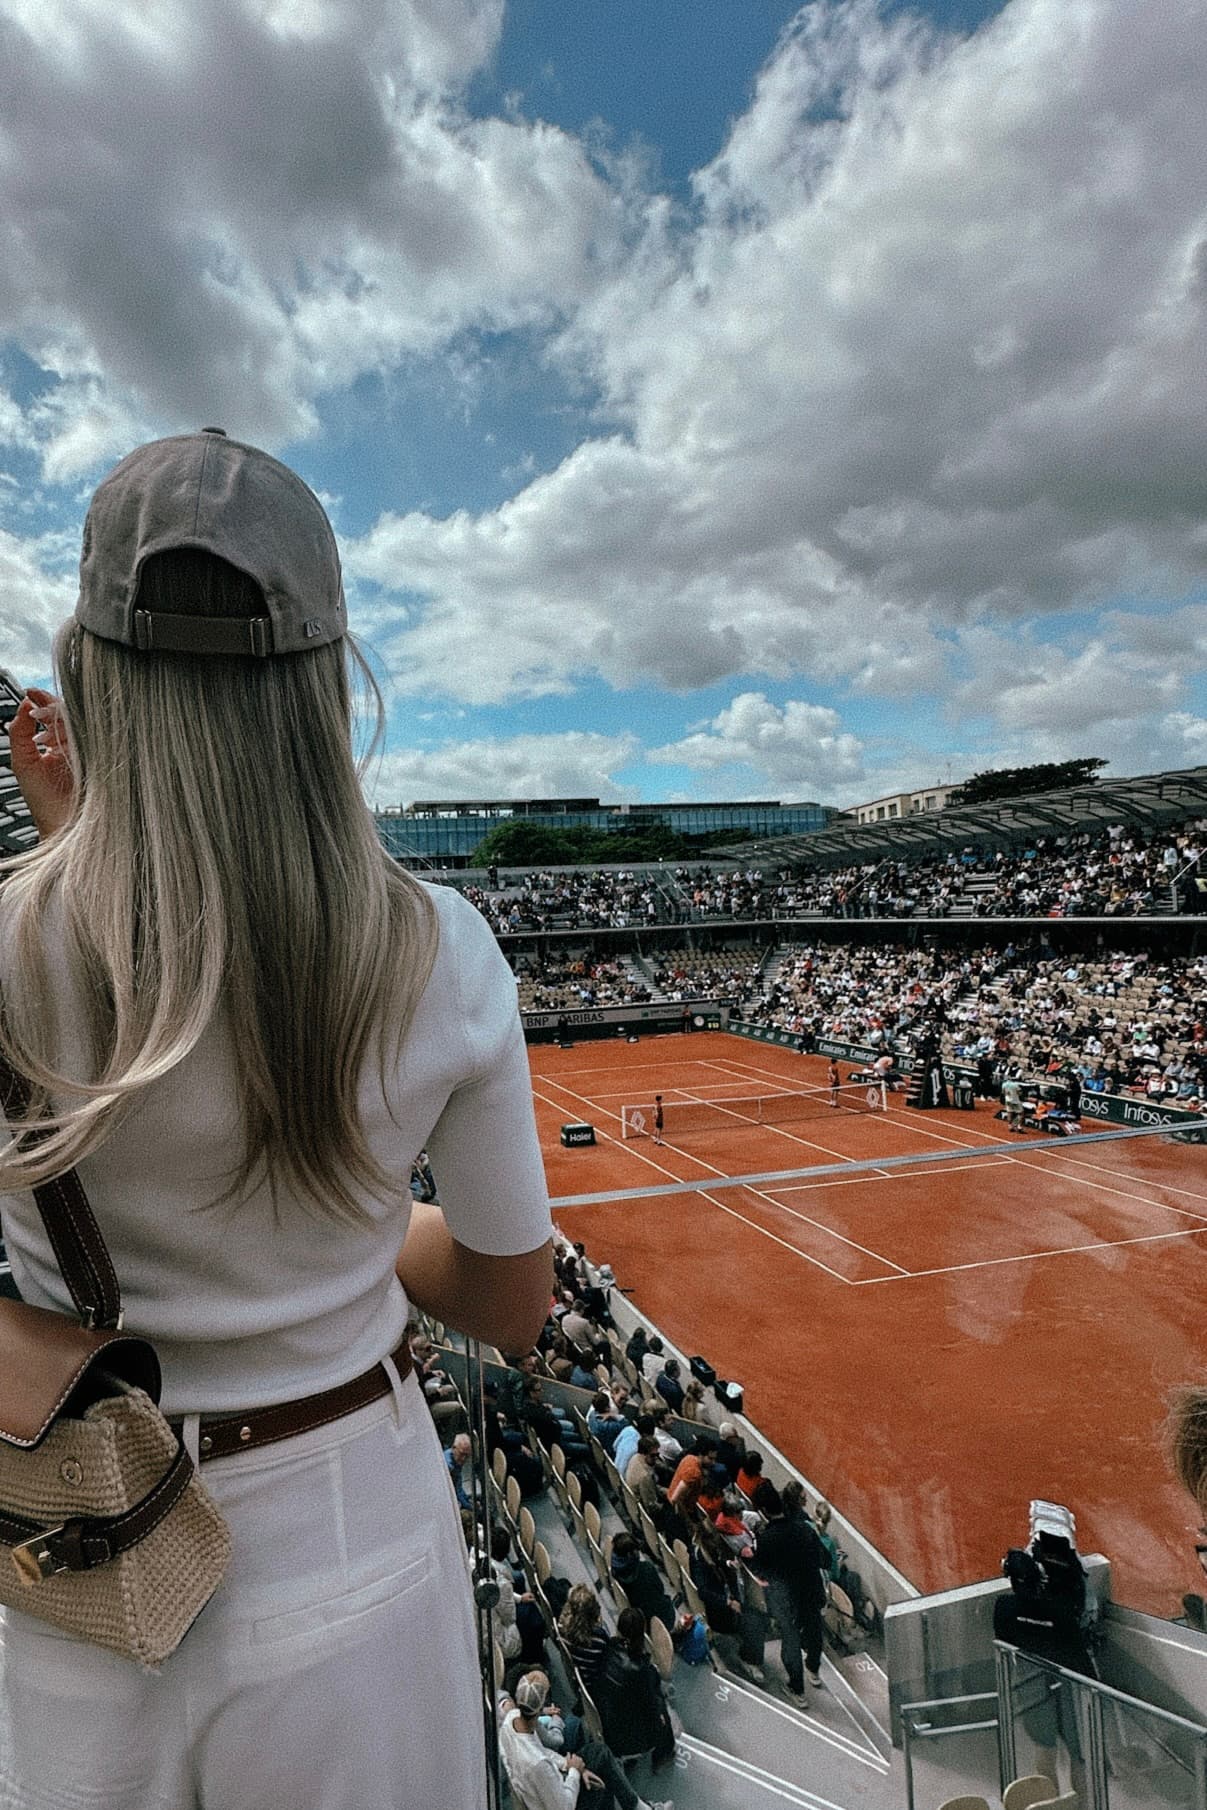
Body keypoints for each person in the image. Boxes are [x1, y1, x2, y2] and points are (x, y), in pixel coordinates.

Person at [0, 430, 554, 1810]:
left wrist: (72, 847)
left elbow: (134, 972)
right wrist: (371, 1226)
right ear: (324, 679)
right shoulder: (443, 949)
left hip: (69, 1549)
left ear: (88, 667)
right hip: (349, 1522)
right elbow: (508, 1302)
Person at [497, 1670, 673, 1810]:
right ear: (540, 1706)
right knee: (604, 1770)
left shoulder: (510, 1720)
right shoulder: (537, 1765)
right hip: (557, 1800)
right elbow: (564, 1806)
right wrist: (574, 1771)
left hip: (544, 1787)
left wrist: (570, 1765)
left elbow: (543, 1752)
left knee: (599, 1753)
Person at [752, 1481, 829, 1695]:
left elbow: (761, 1572)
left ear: (764, 1511)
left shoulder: (765, 1540)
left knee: (791, 1641)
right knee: (814, 1632)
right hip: (811, 1591)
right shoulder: (804, 1529)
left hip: (787, 1600)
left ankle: (798, 1689)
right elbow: (824, 1559)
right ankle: (813, 1669)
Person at [595, 1608, 677, 1769]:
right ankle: (663, 1755)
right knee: (662, 1709)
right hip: (627, 1739)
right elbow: (653, 1709)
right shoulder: (641, 1671)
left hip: (605, 1723)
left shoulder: (609, 1646)